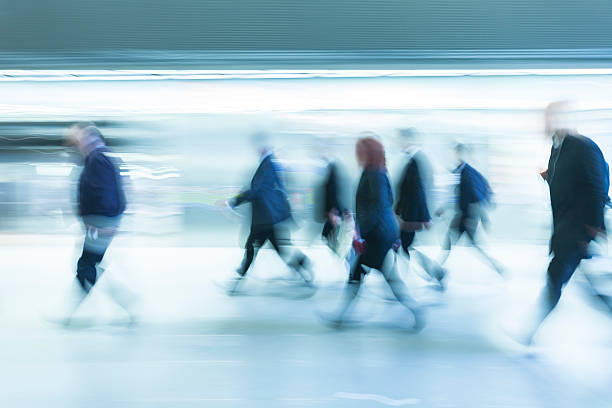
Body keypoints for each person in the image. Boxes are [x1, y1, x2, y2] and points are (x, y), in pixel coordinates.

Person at [520, 101, 610, 345]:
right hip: (566, 228)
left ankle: (530, 331)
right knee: (580, 282)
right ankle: (530, 331)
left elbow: (597, 185)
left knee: (556, 278)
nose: (546, 123)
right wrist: (549, 177)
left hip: (578, 228)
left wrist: (592, 227)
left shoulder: (582, 146)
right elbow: (568, 181)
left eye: (550, 118)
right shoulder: (557, 148)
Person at [324, 136, 424, 330]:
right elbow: (386, 201)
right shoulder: (377, 171)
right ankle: (415, 310)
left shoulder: (375, 174)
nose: (357, 154)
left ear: (369, 153)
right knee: (381, 276)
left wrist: (361, 235)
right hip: (381, 233)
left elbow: (378, 207)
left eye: (360, 151)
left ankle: (341, 318)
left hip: (378, 234)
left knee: (359, 273)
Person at [64, 122, 135, 324]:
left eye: (80, 139)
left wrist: (106, 223)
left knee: (86, 265)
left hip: (100, 223)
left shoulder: (99, 158)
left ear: (92, 138)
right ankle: (124, 303)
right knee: (89, 265)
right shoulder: (95, 158)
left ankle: (73, 311)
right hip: (99, 222)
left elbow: (108, 193)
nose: (77, 143)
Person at [227, 132, 314, 294]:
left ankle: (239, 279)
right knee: (263, 249)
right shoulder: (268, 163)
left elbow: (256, 190)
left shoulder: (268, 164)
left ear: (263, 147)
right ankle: (302, 266)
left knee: (253, 248)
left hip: (265, 218)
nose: (255, 149)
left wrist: (234, 201)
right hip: (266, 218)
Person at [436, 143, 503, 276]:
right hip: (464, 217)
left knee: (450, 243)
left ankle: (437, 270)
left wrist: (481, 219)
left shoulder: (467, 174)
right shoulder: (461, 171)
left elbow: (474, 197)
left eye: (457, 153)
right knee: (470, 245)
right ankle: (497, 267)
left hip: (465, 217)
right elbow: (459, 196)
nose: (455, 156)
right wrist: (443, 209)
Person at [394, 128, 445, 288]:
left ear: (407, 140)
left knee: (404, 247)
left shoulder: (415, 161)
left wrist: (423, 217)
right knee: (405, 247)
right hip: (410, 215)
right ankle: (435, 272)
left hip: (410, 216)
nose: (399, 143)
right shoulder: (414, 160)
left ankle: (399, 281)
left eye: (401, 140)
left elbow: (417, 192)